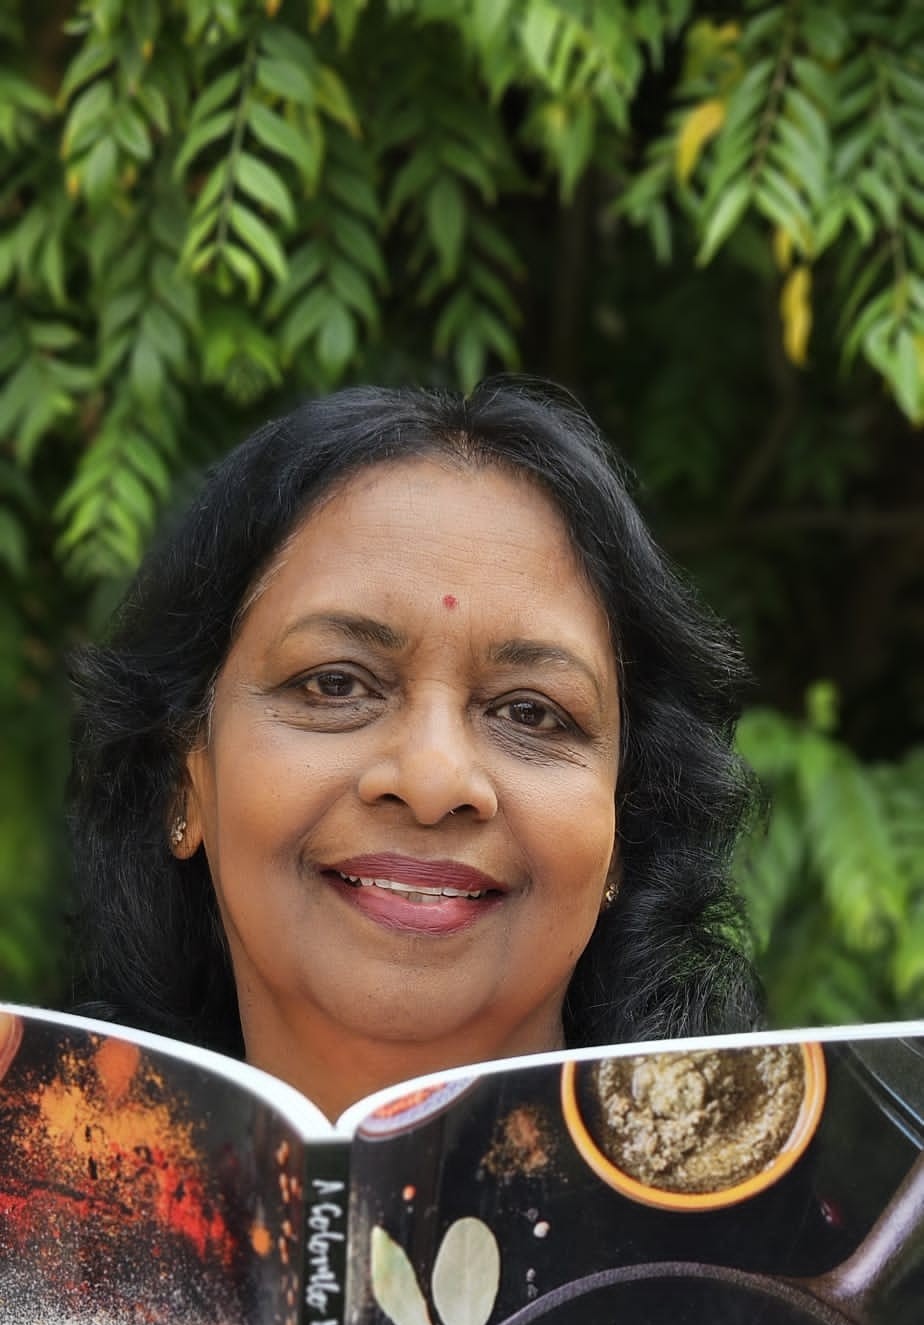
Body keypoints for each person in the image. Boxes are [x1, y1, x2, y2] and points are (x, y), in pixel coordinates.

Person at [68, 377, 761, 1118]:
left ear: (625, 821)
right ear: (185, 776)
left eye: (530, 711)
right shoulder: (41, 1212)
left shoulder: (811, 1232)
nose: (433, 780)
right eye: (335, 685)